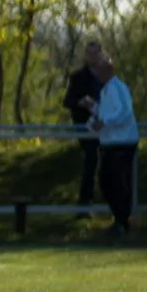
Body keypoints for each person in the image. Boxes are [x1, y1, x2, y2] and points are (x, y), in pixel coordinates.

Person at [88, 54, 139, 239]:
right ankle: (119, 219)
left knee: (116, 183)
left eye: (100, 70)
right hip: (111, 143)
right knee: (106, 181)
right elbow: (107, 113)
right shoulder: (106, 90)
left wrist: (104, 122)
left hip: (122, 143)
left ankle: (122, 221)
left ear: (109, 70)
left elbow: (125, 112)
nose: (97, 73)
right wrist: (93, 110)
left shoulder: (118, 88)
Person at [65, 39, 104, 213]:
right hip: (87, 128)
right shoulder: (78, 77)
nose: (92, 56)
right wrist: (81, 102)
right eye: (89, 53)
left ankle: (112, 204)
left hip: (106, 126)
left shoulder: (107, 76)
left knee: (110, 164)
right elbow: (68, 101)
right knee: (90, 160)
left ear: (100, 54)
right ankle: (84, 205)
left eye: (95, 53)